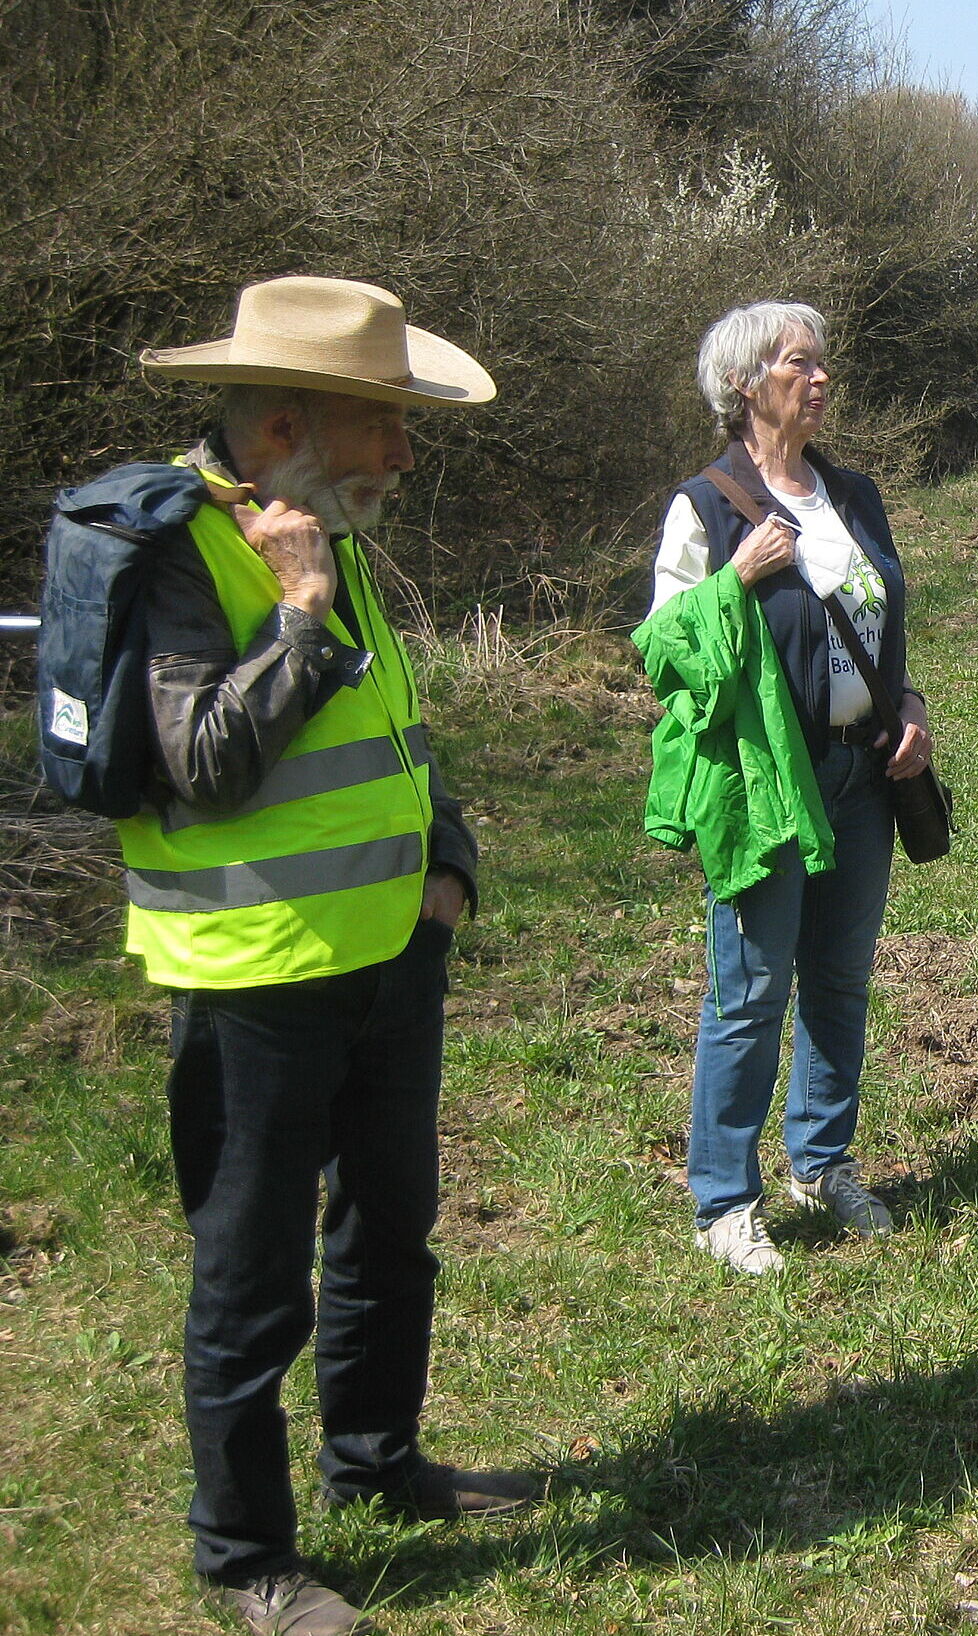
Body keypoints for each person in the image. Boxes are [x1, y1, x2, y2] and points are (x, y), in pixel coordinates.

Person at [121, 277, 537, 1635]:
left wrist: (451, 861)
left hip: (383, 957)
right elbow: (207, 765)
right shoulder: (189, 550)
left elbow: (394, 737)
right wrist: (298, 613)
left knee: (389, 1233)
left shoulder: (326, 526)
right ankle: (247, 1560)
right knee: (251, 1279)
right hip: (254, 977)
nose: (407, 459)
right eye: (387, 429)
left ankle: (376, 1464)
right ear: (290, 423)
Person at [638, 300, 931, 1274]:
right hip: (768, 781)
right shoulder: (707, 506)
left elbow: (882, 619)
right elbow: (665, 654)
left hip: (862, 775)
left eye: (822, 362)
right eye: (800, 364)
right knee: (752, 990)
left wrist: (911, 707)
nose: (821, 379)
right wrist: (735, 579)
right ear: (743, 384)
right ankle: (724, 1199)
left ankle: (823, 1160)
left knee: (840, 980)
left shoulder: (850, 491)